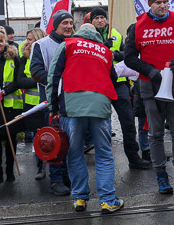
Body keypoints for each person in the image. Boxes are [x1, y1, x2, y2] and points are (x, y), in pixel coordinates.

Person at [123, 0, 174, 195]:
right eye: (158, 2)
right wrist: (149, 70)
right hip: (151, 86)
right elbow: (129, 57)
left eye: (165, 2)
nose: (163, 6)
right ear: (150, 3)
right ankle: (161, 176)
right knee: (155, 134)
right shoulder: (139, 26)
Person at [48, 22, 124, 214]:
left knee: (74, 154)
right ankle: (107, 200)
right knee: (104, 154)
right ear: (96, 34)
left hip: (72, 106)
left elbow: (53, 76)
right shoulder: (105, 51)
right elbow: (113, 78)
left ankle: (80, 199)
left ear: (79, 32)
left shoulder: (68, 45)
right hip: (100, 105)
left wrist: (53, 107)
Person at [91, 7, 150, 168]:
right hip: (98, 84)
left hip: (118, 83)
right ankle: (102, 159)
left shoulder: (115, 34)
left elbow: (128, 55)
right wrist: (103, 46)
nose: (100, 20)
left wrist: (116, 54)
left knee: (128, 120)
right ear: (91, 21)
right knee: (99, 123)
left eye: (102, 17)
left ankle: (133, 157)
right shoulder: (87, 36)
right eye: (96, 18)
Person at [31, 10, 75, 195]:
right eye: (65, 22)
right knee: (55, 140)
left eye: (71, 23)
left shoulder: (75, 43)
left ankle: (68, 177)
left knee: (71, 141)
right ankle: (56, 180)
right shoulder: (41, 45)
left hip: (72, 100)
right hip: (51, 101)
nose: (69, 26)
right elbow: (35, 70)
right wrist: (56, 83)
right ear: (55, 25)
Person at [0, 26, 31, 182]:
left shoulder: (14, 57)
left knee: (11, 140)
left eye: (1, 41)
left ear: (6, 41)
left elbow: (18, 81)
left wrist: (5, 91)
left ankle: (10, 171)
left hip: (11, 106)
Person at [21, 27, 48, 180]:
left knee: (51, 135)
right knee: (38, 138)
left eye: (30, 39)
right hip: (32, 105)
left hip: (47, 102)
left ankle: (54, 165)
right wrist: (37, 79)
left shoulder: (46, 54)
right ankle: (40, 167)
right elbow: (20, 80)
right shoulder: (25, 57)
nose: (27, 42)